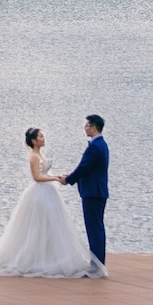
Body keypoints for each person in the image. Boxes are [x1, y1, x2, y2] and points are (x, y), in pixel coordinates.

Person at [0, 127, 103, 278]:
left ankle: (51, 255)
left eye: (43, 136)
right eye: (40, 136)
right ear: (34, 140)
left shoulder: (40, 154)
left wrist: (56, 177)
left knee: (53, 224)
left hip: (49, 192)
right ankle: (34, 258)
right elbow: (37, 177)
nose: (43, 138)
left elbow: (44, 173)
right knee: (38, 225)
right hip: (39, 193)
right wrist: (55, 178)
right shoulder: (33, 156)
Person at [58, 114, 110, 278]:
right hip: (98, 192)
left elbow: (83, 167)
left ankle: (96, 266)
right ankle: (98, 263)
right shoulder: (101, 144)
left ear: (94, 127)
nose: (85, 128)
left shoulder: (95, 147)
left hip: (93, 192)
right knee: (97, 228)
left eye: (87, 126)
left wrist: (68, 179)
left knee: (94, 229)